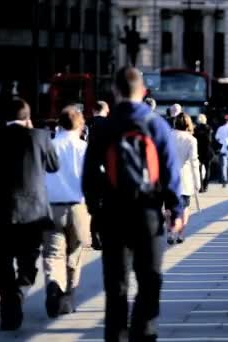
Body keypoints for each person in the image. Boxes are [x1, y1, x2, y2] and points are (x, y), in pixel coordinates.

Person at [82, 66, 183, 342]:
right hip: (148, 213)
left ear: (115, 92)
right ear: (144, 91)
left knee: (116, 285)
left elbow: (89, 174)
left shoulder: (104, 127)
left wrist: (95, 209)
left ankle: (116, 335)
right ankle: (144, 332)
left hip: (114, 213)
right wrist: (176, 209)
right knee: (150, 280)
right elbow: (170, 172)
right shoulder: (157, 125)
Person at [0, 98, 59, 331]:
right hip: (34, 214)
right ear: (28, 118)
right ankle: (19, 293)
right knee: (28, 263)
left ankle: (9, 311)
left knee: (4, 262)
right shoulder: (40, 137)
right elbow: (53, 166)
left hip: (2, 213)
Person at [43, 106, 91, 318]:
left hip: (52, 207)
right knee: (75, 253)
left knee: (53, 254)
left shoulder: (48, 146)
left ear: (58, 124)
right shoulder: (83, 148)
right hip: (78, 206)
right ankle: (68, 298)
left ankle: (54, 282)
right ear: (80, 125)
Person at [170, 113, 201, 244]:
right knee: (185, 207)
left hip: (169, 176)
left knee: (169, 208)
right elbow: (194, 162)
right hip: (185, 177)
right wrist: (197, 182)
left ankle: (170, 232)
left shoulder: (168, 136)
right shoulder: (191, 140)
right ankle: (180, 234)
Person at [85, 100, 110, 249]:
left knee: (93, 207)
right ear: (106, 110)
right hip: (106, 170)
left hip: (90, 169)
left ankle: (94, 237)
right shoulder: (110, 125)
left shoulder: (85, 124)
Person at [193, 113, 214, 193]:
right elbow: (210, 140)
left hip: (198, 151)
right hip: (207, 151)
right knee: (208, 169)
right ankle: (206, 186)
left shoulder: (195, 128)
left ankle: (200, 187)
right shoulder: (209, 128)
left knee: (199, 170)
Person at [215, 115, 228, 187]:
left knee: (223, 166)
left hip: (223, 149)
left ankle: (224, 181)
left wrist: (222, 142)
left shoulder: (220, 128)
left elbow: (217, 138)